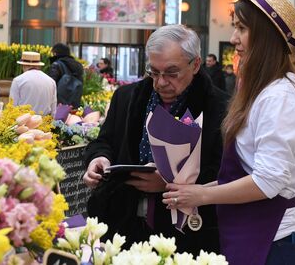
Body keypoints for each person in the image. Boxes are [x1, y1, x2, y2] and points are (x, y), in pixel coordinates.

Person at [162, 0, 295, 265]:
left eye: (242, 29)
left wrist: (204, 194)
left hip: (276, 240)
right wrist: (194, 194)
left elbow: (269, 180)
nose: (233, 38)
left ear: (267, 37)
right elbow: (246, 171)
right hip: (258, 232)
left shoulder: (280, 96)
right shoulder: (264, 90)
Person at [83, 24, 229, 254]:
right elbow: (105, 141)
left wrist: (169, 184)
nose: (161, 82)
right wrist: (98, 159)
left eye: (172, 73)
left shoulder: (220, 108)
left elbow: (224, 171)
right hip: (123, 225)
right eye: (154, 72)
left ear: (196, 65)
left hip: (187, 234)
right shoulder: (127, 97)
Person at [10, 51, 57, 116]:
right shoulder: (51, 81)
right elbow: (54, 110)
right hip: (45, 122)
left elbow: (12, 107)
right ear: (39, 65)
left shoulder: (18, 80)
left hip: (24, 123)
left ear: (23, 65)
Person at [48, 43, 84, 108]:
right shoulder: (77, 66)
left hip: (59, 104)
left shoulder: (56, 65)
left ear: (56, 53)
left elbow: (51, 84)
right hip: (75, 102)